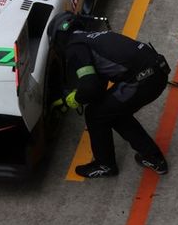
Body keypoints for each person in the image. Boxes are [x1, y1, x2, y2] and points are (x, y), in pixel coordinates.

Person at [48, 12, 170, 178]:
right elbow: (99, 83)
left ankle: (105, 165)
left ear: (59, 38)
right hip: (156, 71)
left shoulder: (74, 47)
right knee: (112, 111)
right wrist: (82, 93)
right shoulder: (91, 37)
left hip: (143, 80)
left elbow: (91, 87)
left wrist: (73, 100)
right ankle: (153, 158)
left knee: (96, 114)